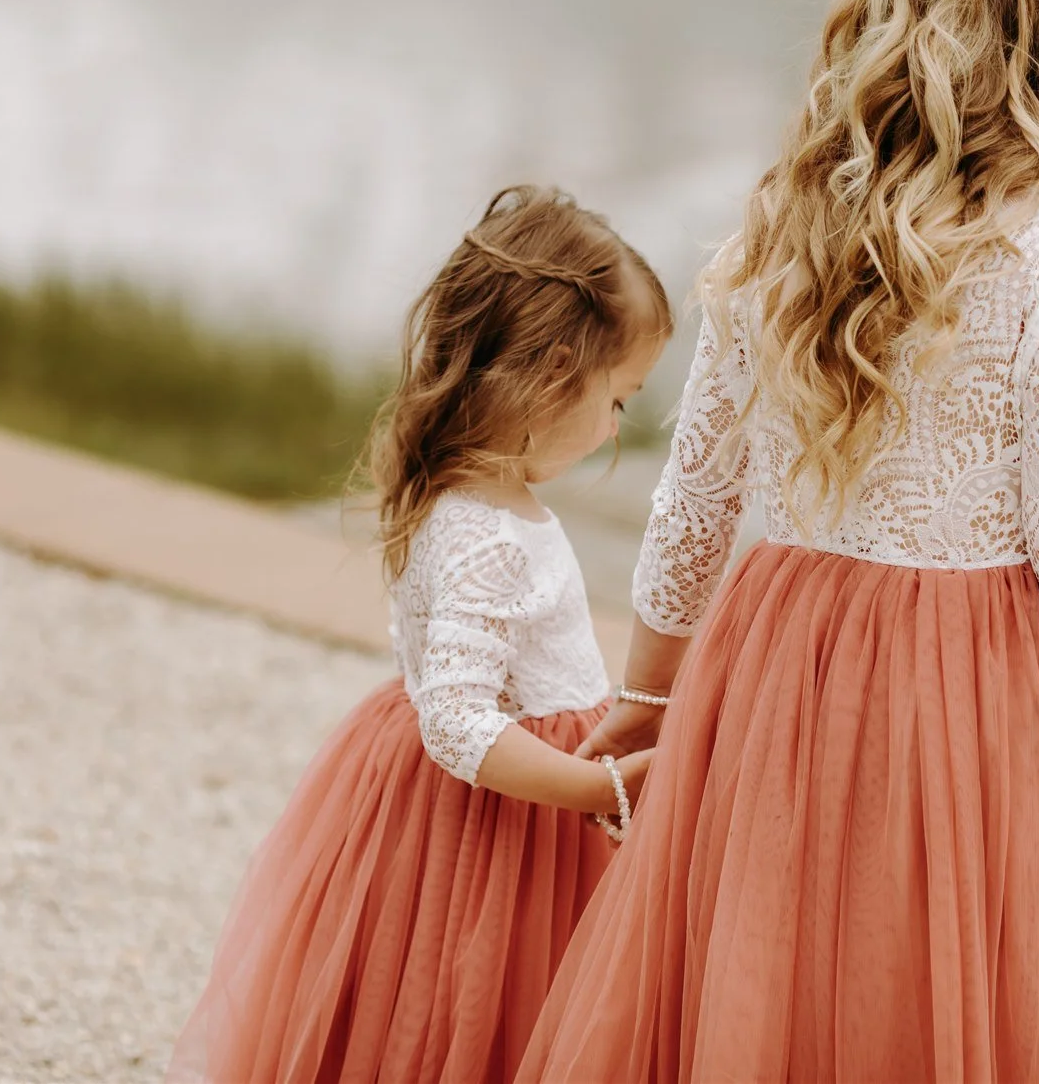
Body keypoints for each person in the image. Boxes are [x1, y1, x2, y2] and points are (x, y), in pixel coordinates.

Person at [521, 0, 1039, 1082]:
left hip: (777, 654)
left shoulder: (782, 216)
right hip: (977, 683)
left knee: (775, 966)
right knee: (945, 977)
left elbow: (697, 491)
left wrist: (651, 692)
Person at [169, 185, 672, 1083]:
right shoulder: (487, 532)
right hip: (504, 815)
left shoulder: (461, 490)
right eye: (619, 400)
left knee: (443, 998)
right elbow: (458, 720)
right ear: (555, 372)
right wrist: (592, 784)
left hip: (469, 797)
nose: (612, 429)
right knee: (479, 1003)